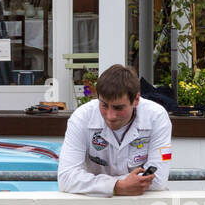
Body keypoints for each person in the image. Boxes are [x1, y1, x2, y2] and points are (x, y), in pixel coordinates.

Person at [57, 64, 171, 196]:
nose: (110, 116)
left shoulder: (157, 117)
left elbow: (159, 180)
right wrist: (118, 186)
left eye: (118, 108)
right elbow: (65, 178)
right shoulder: (81, 117)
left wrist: (95, 184)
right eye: (104, 105)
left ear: (136, 100)